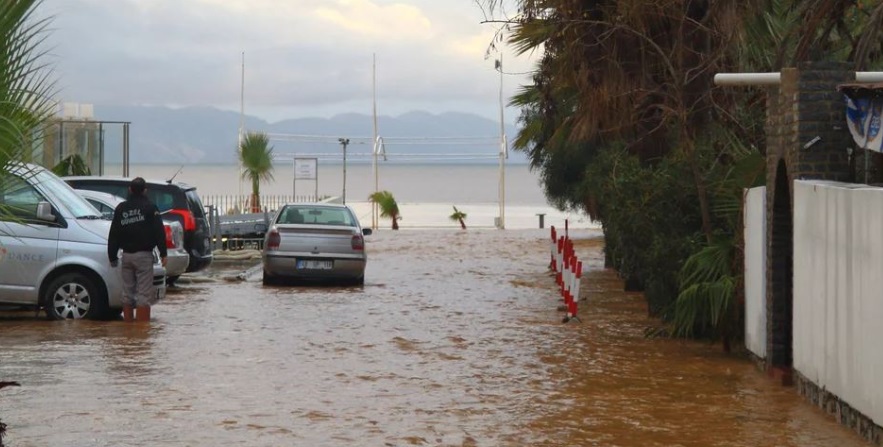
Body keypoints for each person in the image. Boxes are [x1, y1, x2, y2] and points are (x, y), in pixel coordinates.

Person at [108, 177, 167, 322]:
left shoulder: (121, 208)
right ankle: (141, 333)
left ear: (130, 190)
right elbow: (159, 231)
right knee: (144, 295)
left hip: (126, 256)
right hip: (144, 256)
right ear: (145, 190)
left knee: (127, 294)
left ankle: (128, 329)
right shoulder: (151, 208)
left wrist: (112, 255)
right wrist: (163, 253)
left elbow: (114, 233)